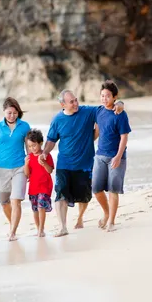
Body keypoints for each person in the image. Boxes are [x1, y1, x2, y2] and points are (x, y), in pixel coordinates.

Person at [40, 89, 124, 237]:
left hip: (85, 164)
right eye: (71, 102)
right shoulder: (57, 120)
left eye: (76, 100)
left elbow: (106, 106)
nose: (75, 103)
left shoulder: (87, 112)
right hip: (64, 164)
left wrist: (120, 103)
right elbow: (51, 140)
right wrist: (45, 152)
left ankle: (80, 217)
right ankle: (62, 227)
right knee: (61, 193)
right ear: (63, 104)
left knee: (84, 196)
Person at [0, 97, 30, 241]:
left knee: (15, 200)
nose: (12, 116)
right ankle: (13, 223)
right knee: (4, 202)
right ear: (4, 112)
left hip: (20, 167)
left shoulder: (24, 126)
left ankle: (12, 232)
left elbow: (29, 148)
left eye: (14, 113)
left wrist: (30, 167)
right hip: (2, 168)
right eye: (9, 113)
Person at [92, 80, 132, 232]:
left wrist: (118, 156)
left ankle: (111, 222)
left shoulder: (120, 114)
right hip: (100, 156)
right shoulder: (99, 111)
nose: (104, 99)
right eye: (102, 96)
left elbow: (124, 137)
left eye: (107, 96)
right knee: (96, 188)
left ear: (114, 97)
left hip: (117, 157)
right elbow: (97, 131)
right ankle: (107, 213)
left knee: (113, 190)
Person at [24, 129, 55, 237]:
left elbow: (50, 170)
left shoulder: (46, 155)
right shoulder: (29, 157)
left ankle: (41, 229)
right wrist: (26, 164)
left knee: (41, 206)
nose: (32, 148)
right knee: (35, 209)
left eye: (34, 145)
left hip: (45, 186)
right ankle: (38, 229)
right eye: (29, 146)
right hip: (33, 187)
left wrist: (44, 163)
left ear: (40, 143)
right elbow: (27, 174)